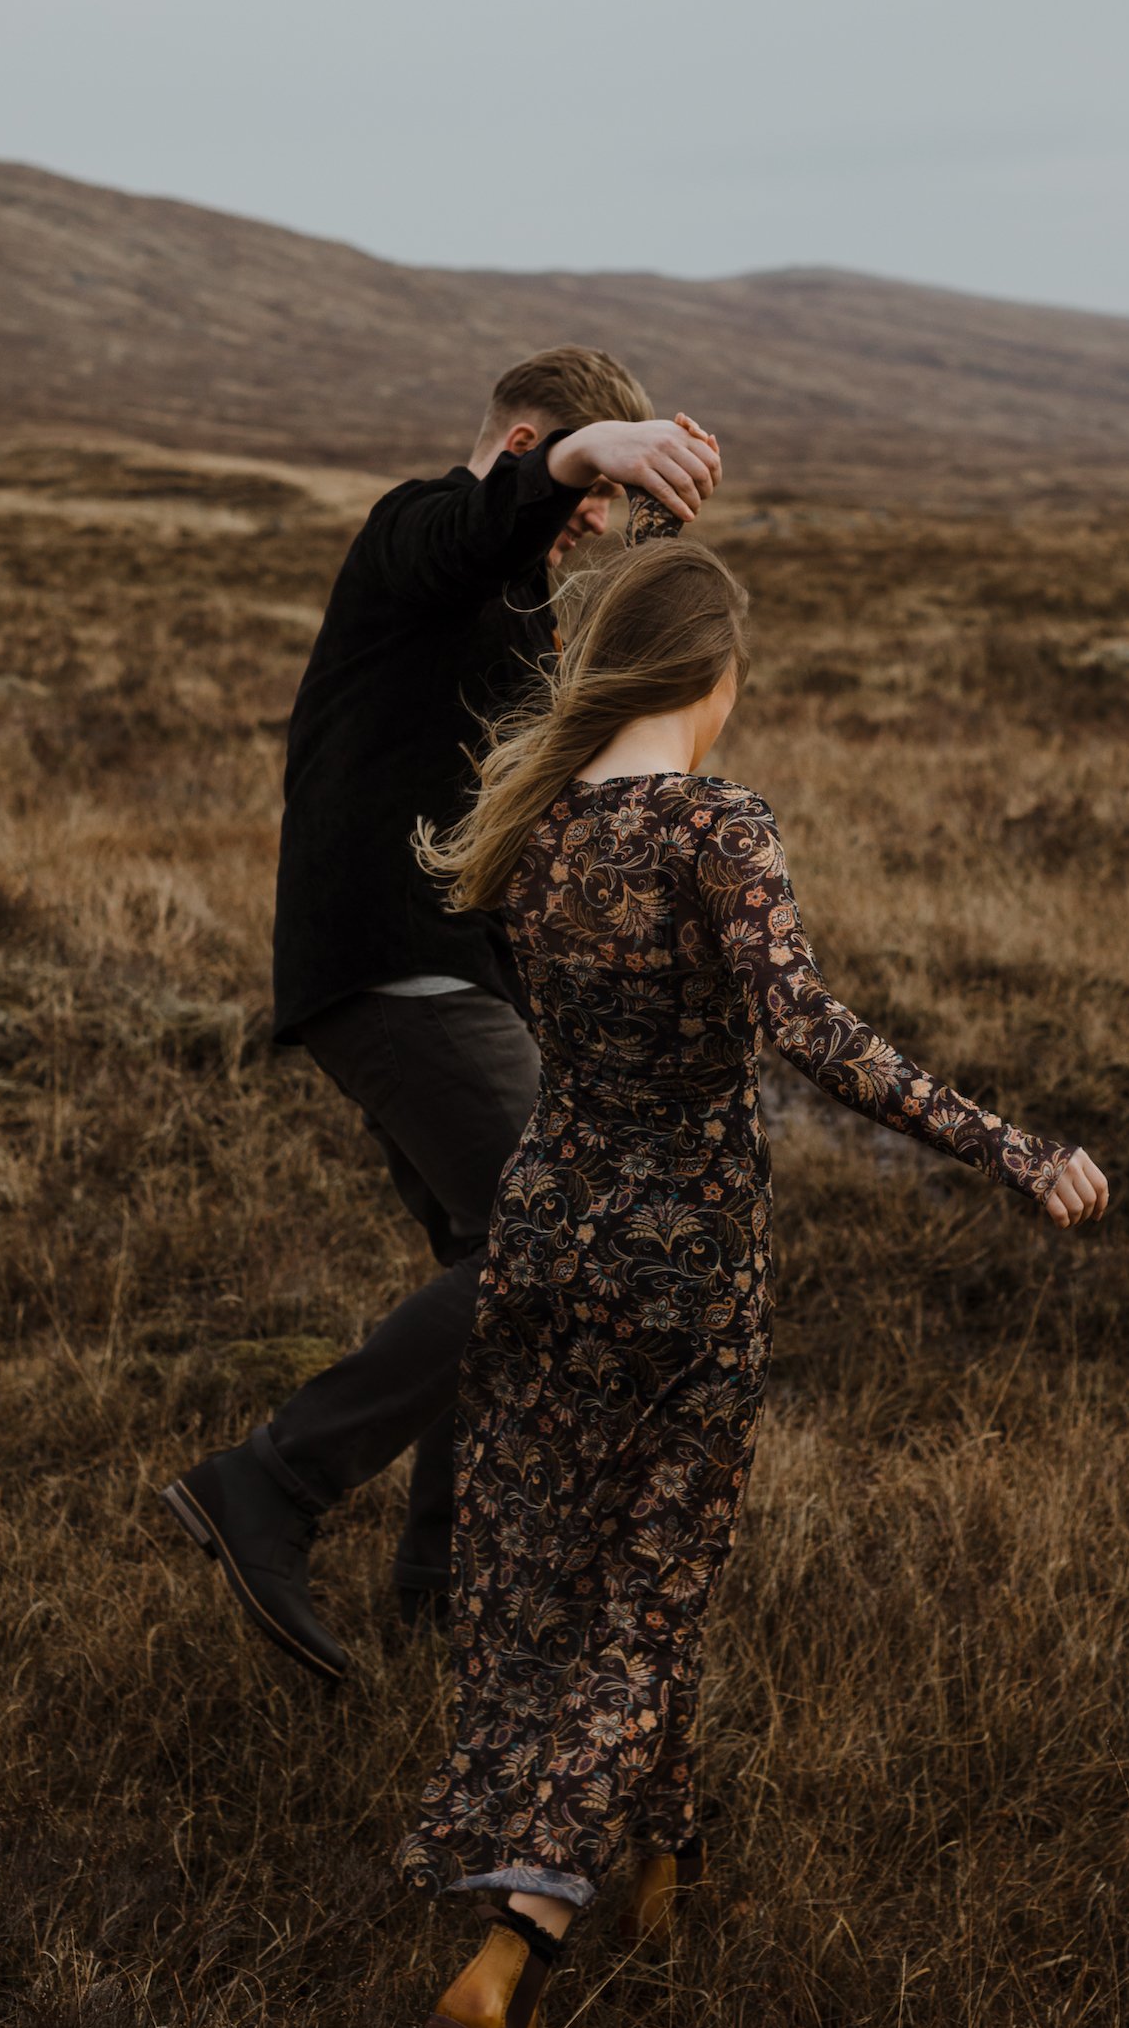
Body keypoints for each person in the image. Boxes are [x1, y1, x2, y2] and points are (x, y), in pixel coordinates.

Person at [399, 530, 1110, 2028]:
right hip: (683, 1263)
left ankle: (668, 1855)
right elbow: (802, 1024)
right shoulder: (715, 821)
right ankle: (513, 1946)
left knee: (554, 1570)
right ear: (712, 676)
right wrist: (1013, 1147)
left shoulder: (535, 828)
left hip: (543, 1230)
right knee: (650, 1591)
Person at [160, 349, 723, 1680]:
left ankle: (439, 1583)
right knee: (573, 1239)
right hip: (388, 968)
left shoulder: (514, 604)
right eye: (581, 482)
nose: (589, 516)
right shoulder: (416, 535)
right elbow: (486, 520)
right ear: (529, 442)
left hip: (451, 974)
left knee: (507, 1265)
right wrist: (587, 462)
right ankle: (269, 1489)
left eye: (600, 495)